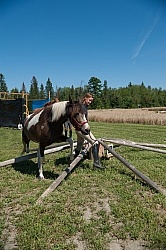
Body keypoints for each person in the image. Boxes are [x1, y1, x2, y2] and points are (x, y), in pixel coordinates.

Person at [75, 93, 104, 169]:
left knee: (79, 146)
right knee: (95, 142)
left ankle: (74, 163)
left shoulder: (83, 106)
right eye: (89, 100)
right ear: (85, 98)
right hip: (82, 130)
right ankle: (96, 163)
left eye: (91, 101)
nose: (90, 102)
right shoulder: (82, 107)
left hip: (79, 130)